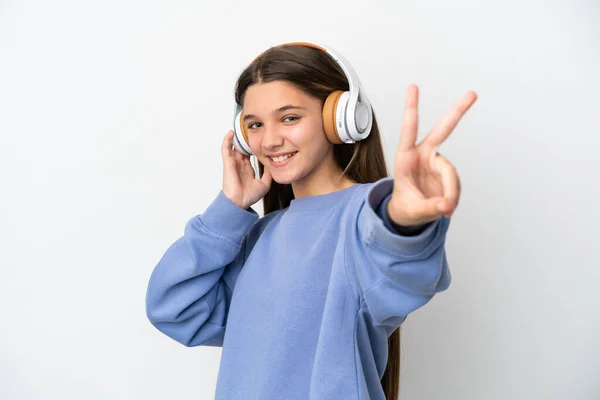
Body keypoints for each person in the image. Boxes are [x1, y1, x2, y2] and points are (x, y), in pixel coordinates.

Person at [145, 41, 477, 400]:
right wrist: (228, 210)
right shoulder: (260, 236)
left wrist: (402, 222)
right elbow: (175, 309)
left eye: (289, 118)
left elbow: (404, 275)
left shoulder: (364, 216)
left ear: (339, 119)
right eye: (254, 124)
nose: (269, 140)